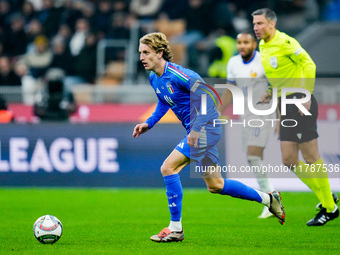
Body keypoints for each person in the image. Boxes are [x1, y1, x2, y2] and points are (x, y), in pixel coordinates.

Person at [133, 32, 285, 243]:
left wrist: (195, 130)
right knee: (216, 185)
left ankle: (175, 228)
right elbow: (164, 101)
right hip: (197, 131)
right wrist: (149, 123)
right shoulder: (154, 77)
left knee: (168, 168)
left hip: (206, 128)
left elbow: (210, 99)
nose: (141, 57)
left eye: (146, 52)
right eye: (140, 52)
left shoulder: (182, 75)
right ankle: (269, 198)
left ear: (159, 53)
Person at [252, 8, 339, 226]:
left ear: (272, 23)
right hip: (285, 105)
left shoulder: (286, 42)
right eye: (254, 24)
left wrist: (305, 95)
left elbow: (309, 64)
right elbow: (277, 77)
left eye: (260, 23)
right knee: (289, 160)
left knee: (311, 156)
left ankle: (329, 207)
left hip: (300, 103)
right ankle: (327, 197)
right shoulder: (263, 45)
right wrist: (271, 94)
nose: (256, 28)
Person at [216, 32, 276, 219]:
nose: (242, 46)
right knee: (253, 157)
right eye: (239, 42)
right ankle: (272, 199)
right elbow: (230, 90)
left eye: (246, 42)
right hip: (246, 114)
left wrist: (281, 116)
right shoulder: (233, 63)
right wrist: (218, 111)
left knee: (253, 155)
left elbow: (277, 86)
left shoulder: (264, 60)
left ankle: (271, 200)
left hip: (264, 112)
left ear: (254, 44)